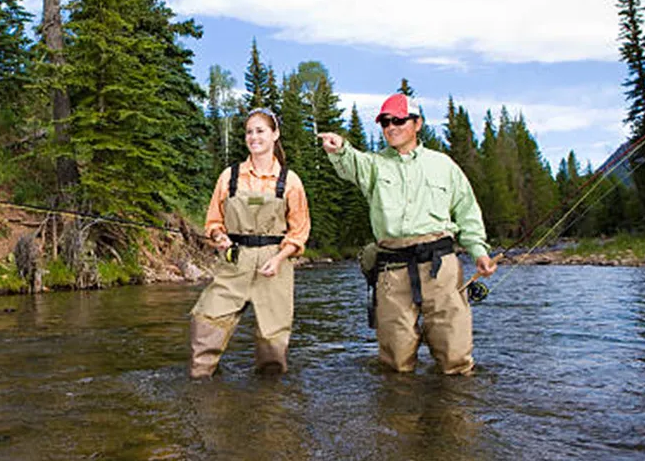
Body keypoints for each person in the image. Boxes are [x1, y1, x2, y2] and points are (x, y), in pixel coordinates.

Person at [318, 93, 496, 375]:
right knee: (395, 363)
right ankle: (399, 417)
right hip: (392, 270)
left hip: (441, 267)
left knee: (455, 358)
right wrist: (338, 149)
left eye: (398, 120)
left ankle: (456, 416)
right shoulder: (373, 165)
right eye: (385, 122)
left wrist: (479, 253)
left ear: (417, 123)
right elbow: (349, 162)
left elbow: (467, 212)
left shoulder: (444, 165)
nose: (391, 127)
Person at [189, 107, 311, 379]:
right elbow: (213, 222)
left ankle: (270, 402)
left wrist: (279, 259)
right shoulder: (229, 176)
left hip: (275, 262)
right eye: (249, 132)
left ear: (275, 134)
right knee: (206, 320)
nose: (253, 137)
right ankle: (201, 390)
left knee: (273, 341)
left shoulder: (290, 181)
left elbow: (300, 232)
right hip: (235, 259)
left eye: (260, 131)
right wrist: (219, 237)